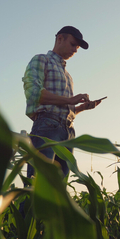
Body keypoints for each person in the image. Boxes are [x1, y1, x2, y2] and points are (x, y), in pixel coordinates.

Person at [22, 26, 102, 179]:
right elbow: (33, 93)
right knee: (38, 185)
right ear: (60, 39)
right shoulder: (41, 60)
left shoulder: (68, 75)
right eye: (73, 44)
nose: (76, 50)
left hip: (68, 131)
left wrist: (81, 108)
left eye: (77, 47)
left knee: (58, 192)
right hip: (47, 127)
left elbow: (63, 108)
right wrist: (70, 100)